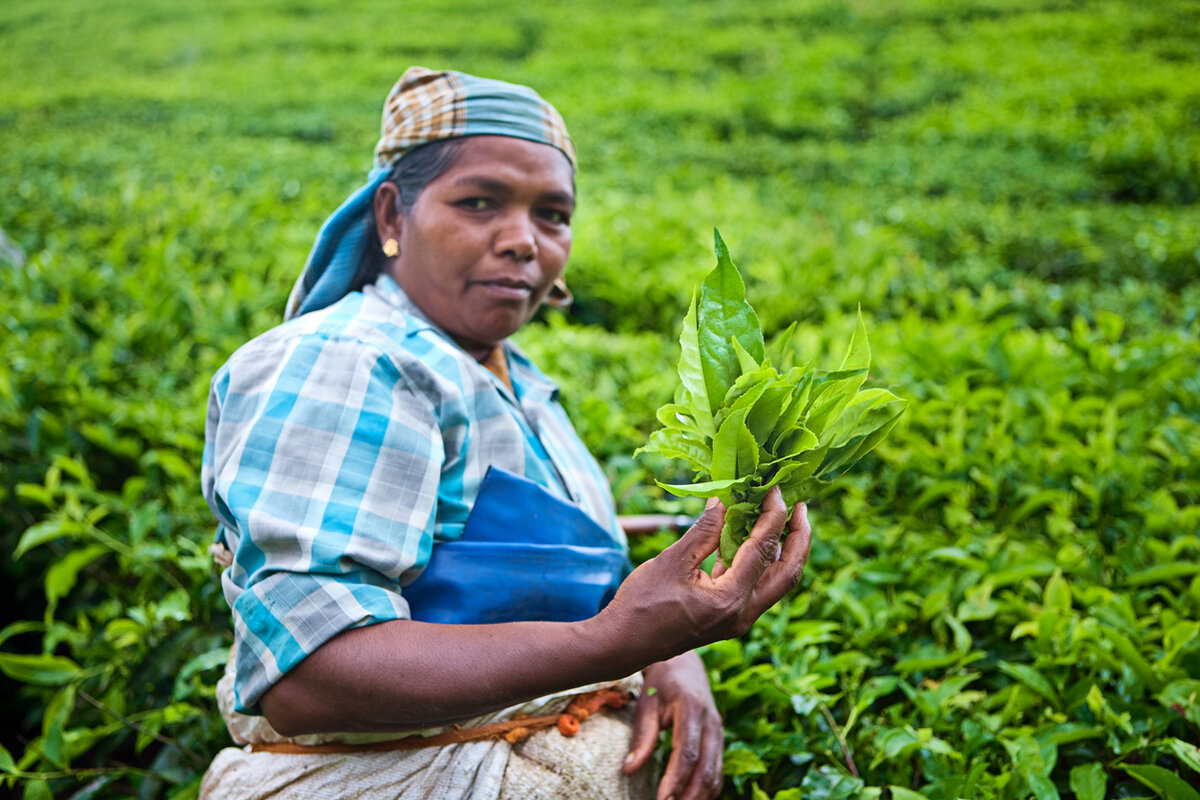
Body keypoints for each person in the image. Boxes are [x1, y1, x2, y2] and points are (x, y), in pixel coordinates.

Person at [199, 66, 812, 800]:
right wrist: (616, 642)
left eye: (552, 215)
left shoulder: (507, 374)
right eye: (480, 202)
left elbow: (512, 557)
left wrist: (670, 655)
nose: (523, 241)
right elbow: (309, 677)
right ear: (392, 217)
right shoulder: (349, 361)